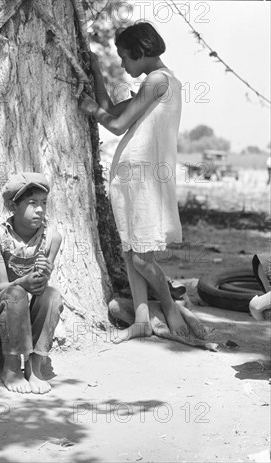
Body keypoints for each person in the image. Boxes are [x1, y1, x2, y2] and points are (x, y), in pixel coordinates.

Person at [79, 22, 190, 342]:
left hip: (143, 179)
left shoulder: (158, 80)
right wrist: (97, 75)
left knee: (141, 255)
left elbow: (115, 124)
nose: (124, 64)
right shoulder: (157, 83)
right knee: (131, 252)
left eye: (125, 56)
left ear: (141, 52)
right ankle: (141, 319)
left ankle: (168, 308)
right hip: (131, 178)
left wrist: (89, 108)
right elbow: (112, 109)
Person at [0, 172, 63, 394]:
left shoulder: (52, 238)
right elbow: (1, 286)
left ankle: (34, 365)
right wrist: (24, 281)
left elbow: (39, 286)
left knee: (52, 295)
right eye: (31, 203)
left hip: (27, 311)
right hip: (1, 308)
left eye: (43, 203)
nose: (40, 209)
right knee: (16, 292)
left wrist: (43, 275)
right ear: (13, 207)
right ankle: (11, 368)